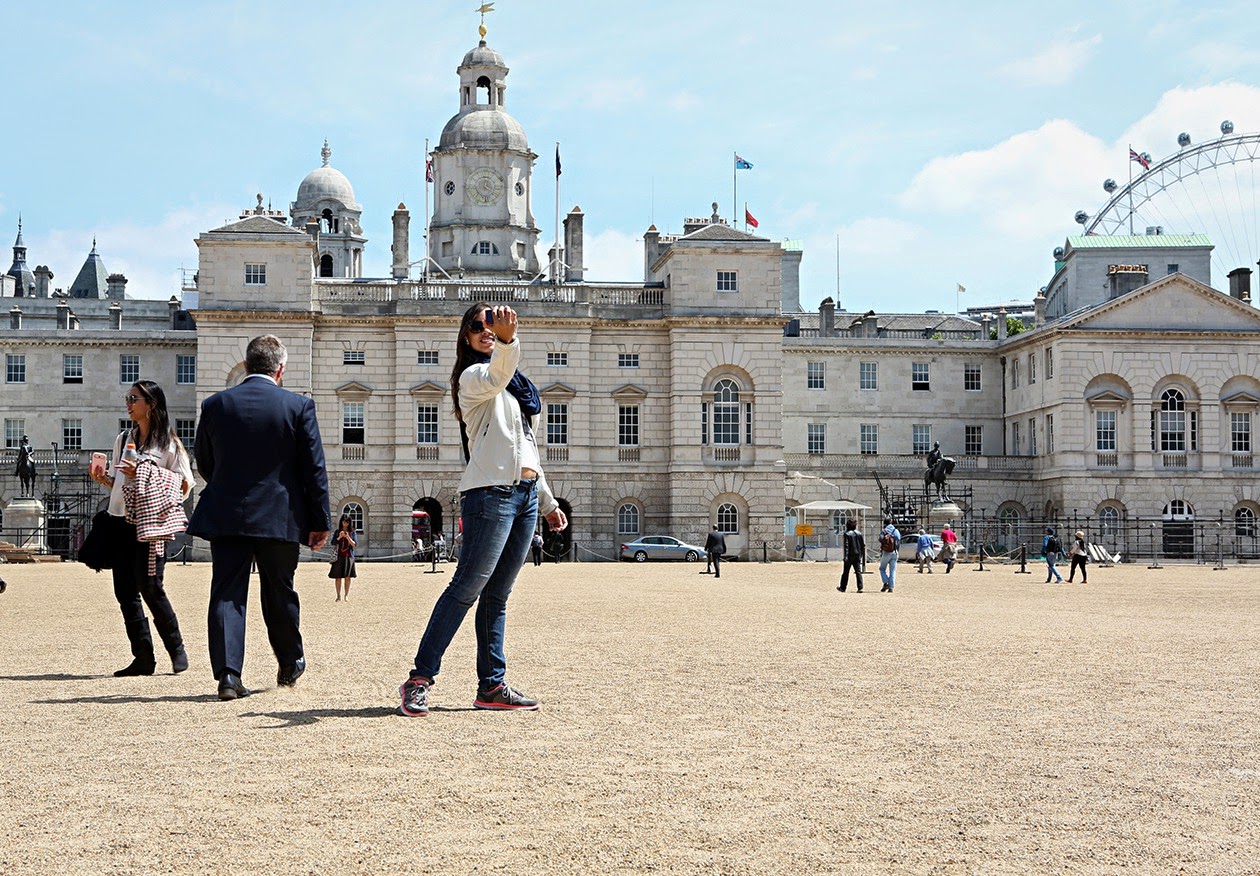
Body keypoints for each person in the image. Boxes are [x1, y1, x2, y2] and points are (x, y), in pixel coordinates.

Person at [399, 304, 568, 717]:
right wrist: (509, 340)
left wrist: (546, 502)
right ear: (466, 336)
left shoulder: (516, 391)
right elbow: (497, 373)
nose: (487, 331)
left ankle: (491, 685)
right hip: (490, 495)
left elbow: (527, 449)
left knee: (498, 595)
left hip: (525, 495)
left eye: (493, 325)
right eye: (479, 326)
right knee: (465, 589)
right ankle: (418, 679)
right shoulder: (473, 378)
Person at [188, 335, 331, 701]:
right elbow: (313, 468)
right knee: (279, 591)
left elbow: (204, 460)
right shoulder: (299, 406)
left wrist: (226, 483)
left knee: (226, 592)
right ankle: (289, 660)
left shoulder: (215, 404)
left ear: (247, 365)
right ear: (280, 369)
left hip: (228, 511)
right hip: (279, 515)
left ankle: (228, 675)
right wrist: (319, 521)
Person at [89, 380, 194, 676]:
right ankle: (143, 658)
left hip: (150, 524)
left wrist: (145, 471)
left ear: (152, 405)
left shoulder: (169, 444)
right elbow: (120, 482)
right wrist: (105, 479)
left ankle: (176, 649)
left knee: (151, 587)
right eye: (128, 398)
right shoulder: (123, 439)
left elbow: (184, 485)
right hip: (119, 520)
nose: (128, 403)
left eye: (134, 398)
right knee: (124, 591)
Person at [329, 515, 356, 601]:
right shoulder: (337, 532)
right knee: (338, 577)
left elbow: (354, 544)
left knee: (347, 577)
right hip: (338, 556)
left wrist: (348, 537)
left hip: (348, 557)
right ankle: (338, 596)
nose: (345, 524)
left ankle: (346, 596)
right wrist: (340, 537)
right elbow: (333, 542)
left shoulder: (352, 532)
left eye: (347, 522)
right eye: (344, 522)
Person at [837, 518, 865, 593]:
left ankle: (843, 587)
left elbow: (846, 546)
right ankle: (860, 587)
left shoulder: (847, 534)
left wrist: (845, 556)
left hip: (849, 555)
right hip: (857, 555)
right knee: (858, 572)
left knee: (846, 572)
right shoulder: (859, 533)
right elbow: (862, 546)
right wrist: (861, 555)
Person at [878, 516, 901, 592]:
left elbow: (880, 539)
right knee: (893, 570)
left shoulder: (884, 530)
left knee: (882, 568)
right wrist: (892, 536)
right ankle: (891, 587)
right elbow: (898, 538)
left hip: (886, 552)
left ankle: (886, 582)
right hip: (894, 551)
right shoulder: (895, 530)